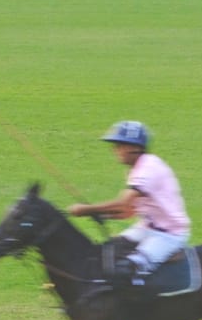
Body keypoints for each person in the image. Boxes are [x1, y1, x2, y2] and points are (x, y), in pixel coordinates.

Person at [69, 120, 191, 281]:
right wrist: (104, 216)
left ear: (135, 147)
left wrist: (86, 209)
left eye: (119, 145)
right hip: (147, 228)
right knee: (109, 252)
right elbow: (128, 211)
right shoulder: (136, 169)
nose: (114, 150)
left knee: (126, 269)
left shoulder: (148, 169)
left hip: (168, 235)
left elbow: (123, 203)